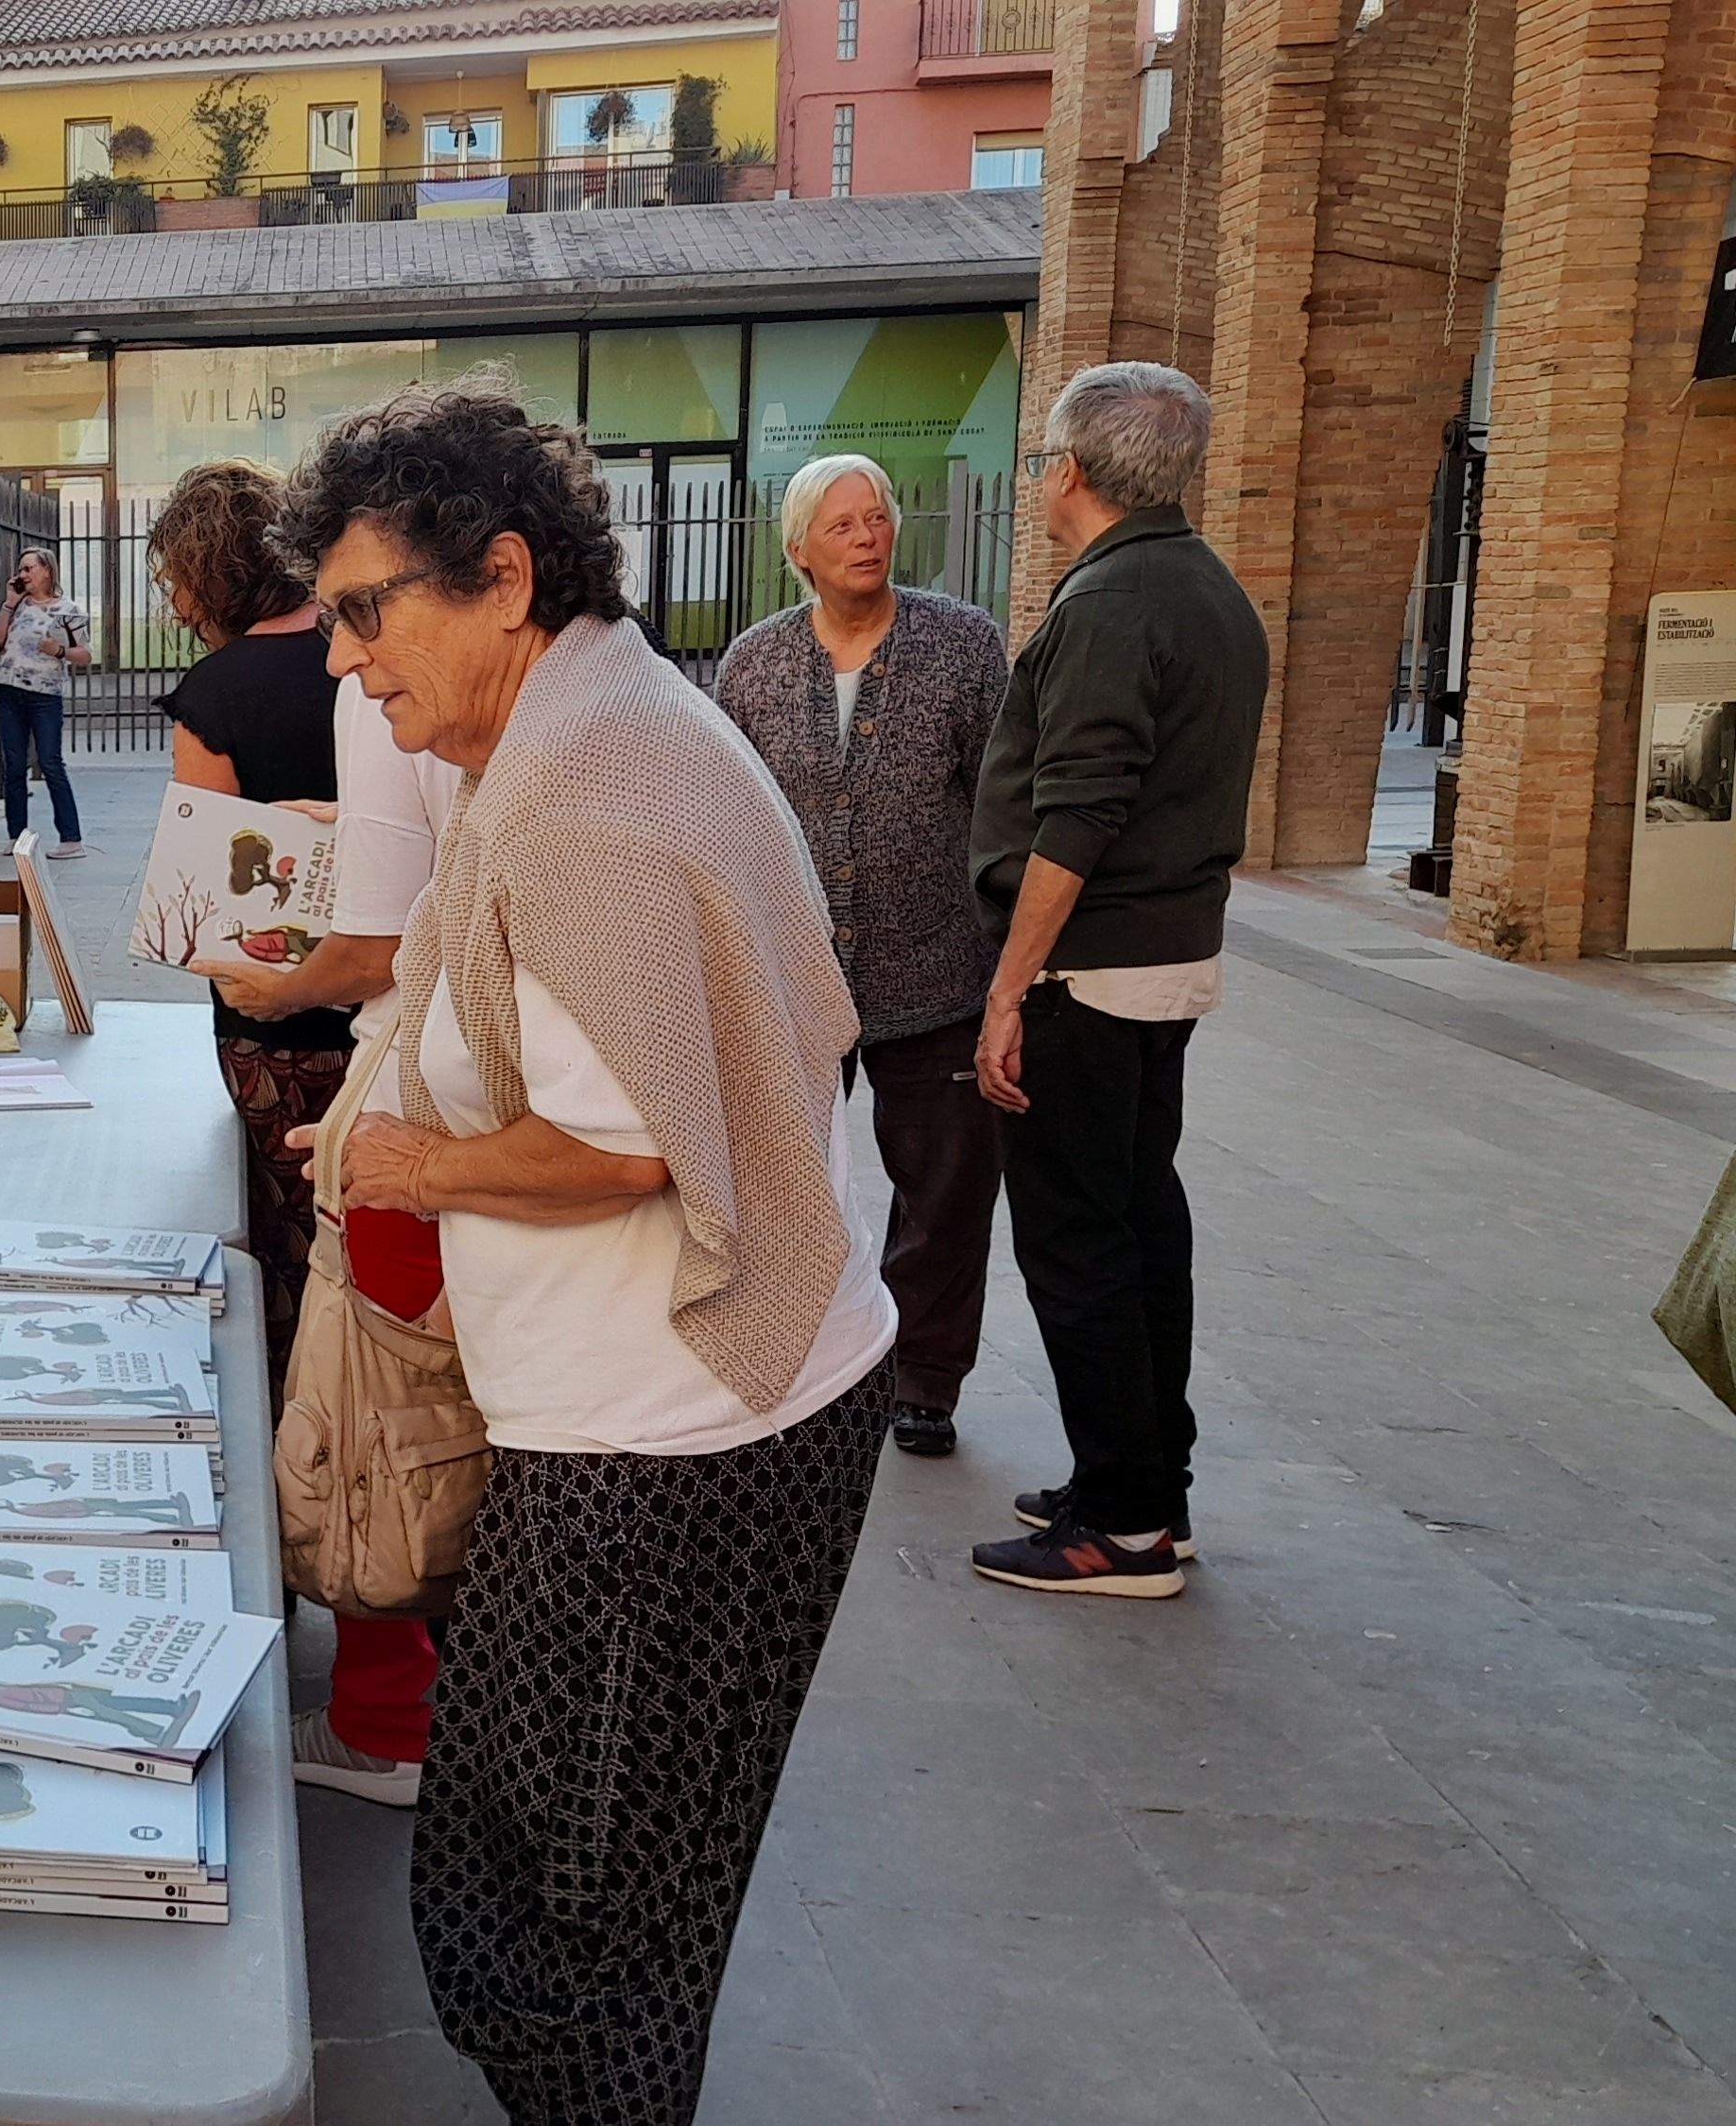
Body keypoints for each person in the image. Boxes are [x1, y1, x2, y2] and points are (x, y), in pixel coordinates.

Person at [279, 385, 900, 2126]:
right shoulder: (594, 721)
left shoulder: (582, 794)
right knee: (562, 1891)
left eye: (366, 610)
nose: (345, 657)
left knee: (567, 1933)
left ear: (502, 576)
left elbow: (631, 1143)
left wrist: (411, 1158)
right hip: (684, 1430)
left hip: (676, 1450)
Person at [966, 363, 1266, 1599]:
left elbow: (1078, 816)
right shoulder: (1204, 585)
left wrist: (1007, 989)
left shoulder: (1112, 600)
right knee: (1139, 1221)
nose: (1041, 478)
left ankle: (1125, 1528)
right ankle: (1142, 1486)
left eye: (1044, 459)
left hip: (1091, 972)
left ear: (1072, 472)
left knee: (1081, 1242)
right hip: (1162, 959)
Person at [180, 466, 455, 1812]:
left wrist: (270, 986)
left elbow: (229, 912)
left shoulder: (248, 693)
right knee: (418, 1361)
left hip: (341, 1069)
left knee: (340, 1363)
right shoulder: (416, 680)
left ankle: (381, 1698)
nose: (351, 660)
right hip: (416, 1067)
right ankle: (416, 1678)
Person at [713, 454, 1014, 1460]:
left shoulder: (962, 646)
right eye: (841, 524)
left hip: (937, 970)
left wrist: (1009, 958)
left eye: (877, 516)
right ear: (798, 548)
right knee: (778, 1178)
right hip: (795, 976)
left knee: (945, 1191)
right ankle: (789, 1356)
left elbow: (1001, 801)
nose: (866, 536)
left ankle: (924, 1378)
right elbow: (729, 814)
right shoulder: (754, 664)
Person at [152, 461, 352, 1388]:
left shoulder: (217, 691)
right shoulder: (366, 652)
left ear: (214, 572)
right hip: (391, 1002)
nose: (175, 600)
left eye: (177, 578)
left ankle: (292, 1412)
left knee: (285, 1238)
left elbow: (210, 899)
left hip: (272, 1021)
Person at [0, 546, 94, 855]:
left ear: (47, 570)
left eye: (28, 568)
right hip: (9, 691)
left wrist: (59, 651)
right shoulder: (17, 606)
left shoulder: (67, 610)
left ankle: (71, 839)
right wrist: (9, 604)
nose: (22, 575)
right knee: (14, 765)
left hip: (45, 695)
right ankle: (16, 835)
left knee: (50, 762)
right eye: (20, 569)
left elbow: (85, 654)